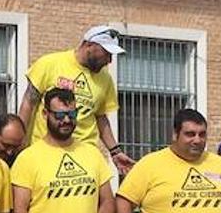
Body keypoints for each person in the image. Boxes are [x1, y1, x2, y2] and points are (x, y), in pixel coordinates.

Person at [18, 25, 134, 173]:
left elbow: (101, 117)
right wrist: (19, 140)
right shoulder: (50, 64)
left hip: (85, 153)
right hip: (46, 151)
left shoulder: (105, 79)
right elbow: (29, 103)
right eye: (106, 53)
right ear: (89, 45)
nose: (109, 60)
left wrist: (115, 152)